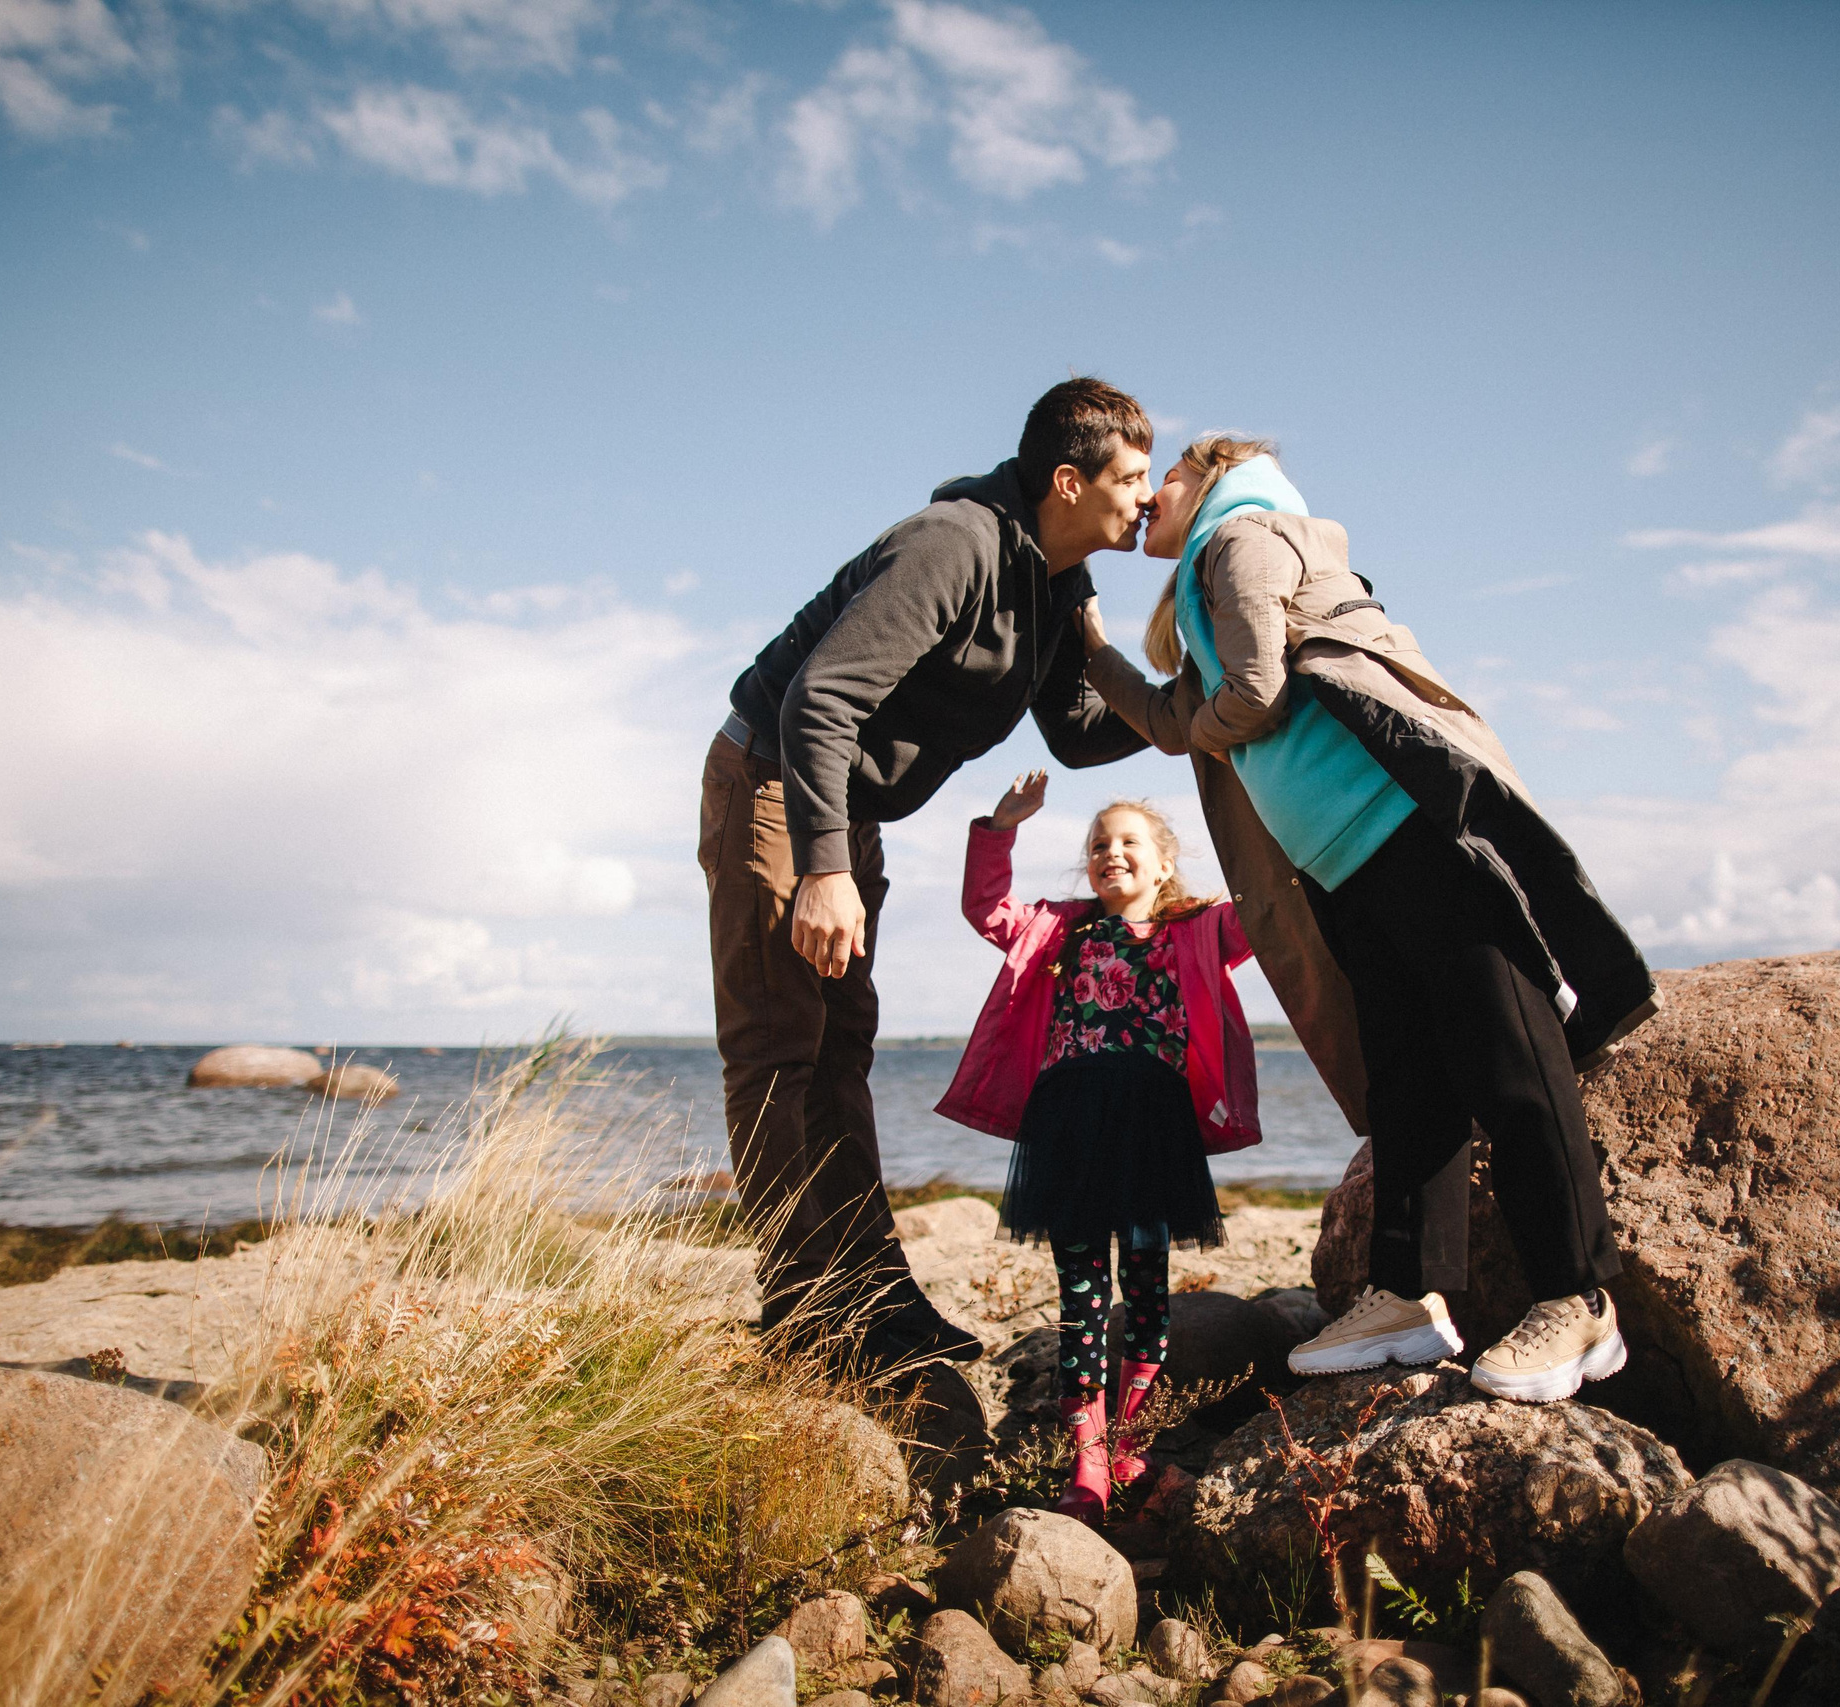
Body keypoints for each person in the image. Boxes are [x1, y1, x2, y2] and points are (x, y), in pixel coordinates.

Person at [1079, 435, 1661, 1404]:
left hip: (1414, 827)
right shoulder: (1199, 591)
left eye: (1165, 478)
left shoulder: (1243, 537)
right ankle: (1406, 1297)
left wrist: (1208, 708)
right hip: (1345, 866)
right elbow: (1183, 720)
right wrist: (1091, 651)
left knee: (1509, 1055)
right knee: (1408, 1084)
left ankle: (1577, 1298)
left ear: (1212, 474)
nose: (1149, 499)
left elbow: (1254, 695)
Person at [701, 379, 1156, 1373]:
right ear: (1068, 480)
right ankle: (804, 1312)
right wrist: (824, 869)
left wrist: (1214, 705)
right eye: (1131, 478)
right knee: (780, 1045)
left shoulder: (1055, 577)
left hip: (838, 802)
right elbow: (820, 700)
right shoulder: (953, 545)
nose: (1148, 497)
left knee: (838, 1049)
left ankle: (872, 1298)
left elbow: (1079, 734)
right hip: (777, 777)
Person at [934, 773, 1256, 1523]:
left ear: (1165, 862)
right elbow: (986, 909)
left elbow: (1269, 908)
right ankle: (1088, 1455)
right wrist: (998, 827)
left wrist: (1258, 807)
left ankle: (1130, 1440)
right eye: (1099, 844)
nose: (1111, 852)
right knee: (1082, 1296)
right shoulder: (1060, 928)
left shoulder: (1200, 928)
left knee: (1145, 1287)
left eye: (1128, 841)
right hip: (1071, 1124)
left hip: (1153, 1126)